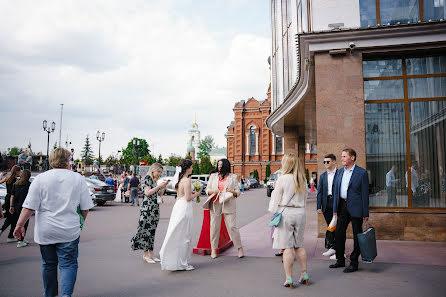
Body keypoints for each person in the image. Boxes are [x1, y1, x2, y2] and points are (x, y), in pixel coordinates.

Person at [13, 148, 94, 297]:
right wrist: (80, 222)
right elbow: (85, 208)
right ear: (68, 161)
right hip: (69, 230)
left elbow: (29, 206)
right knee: (68, 264)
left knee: (48, 265)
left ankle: (50, 294)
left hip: (46, 230)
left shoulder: (41, 179)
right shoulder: (77, 179)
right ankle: (66, 295)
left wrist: (19, 225)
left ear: (51, 160)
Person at [268, 153, 308, 288]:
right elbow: (305, 198)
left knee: (287, 247)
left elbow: (275, 199)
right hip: (300, 213)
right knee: (299, 245)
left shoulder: (282, 179)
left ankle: (289, 278)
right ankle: (304, 274)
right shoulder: (302, 179)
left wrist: (273, 213)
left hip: (286, 213)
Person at [330, 148, 369, 273]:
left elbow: (365, 194)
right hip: (342, 206)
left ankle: (354, 262)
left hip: (356, 207)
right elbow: (336, 192)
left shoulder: (361, 173)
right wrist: (335, 209)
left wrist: (365, 213)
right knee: (339, 233)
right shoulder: (339, 172)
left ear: (352, 158)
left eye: (344, 156)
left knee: (357, 235)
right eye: (341, 156)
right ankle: (340, 259)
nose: (342, 158)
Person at [160, 159, 200, 271]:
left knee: (177, 233)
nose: (192, 169)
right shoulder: (187, 180)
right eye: (191, 167)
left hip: (178, 205)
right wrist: (196, 194)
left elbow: (181, 194)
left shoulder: (180, 180)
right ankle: (182, 263)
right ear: (187, 168)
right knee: (185, 235)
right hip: (185, 207)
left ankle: (176, 261)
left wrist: (191, 193)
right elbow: (187, 198)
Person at [203, 158, 243, 259]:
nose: (219, 167)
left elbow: (238, 192)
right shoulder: (213, 176)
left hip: (228, 204)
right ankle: (213, 249)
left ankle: (239, 248)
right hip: (215, 205)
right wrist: (213, 191)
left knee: (232, 227)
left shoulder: (233, 177)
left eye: (221, 165)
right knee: (214, 228)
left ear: (225, 166)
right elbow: (207, 190)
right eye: (218, 165)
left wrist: (231, 191)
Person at [131, 163, 168, 263]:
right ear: (153, 170)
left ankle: (151, 253)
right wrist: (158, 186)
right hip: (147, 208)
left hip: (154, 207)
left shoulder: (154, 180)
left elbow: (159, 194)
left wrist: (163, 187)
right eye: (158, 171)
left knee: (152, 231)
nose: (159, 174)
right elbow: (147, 192)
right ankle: (145, 254)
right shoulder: (147, 178)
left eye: (161, 172)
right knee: (145, 230)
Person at [317, 153, 342, 259]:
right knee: (330, 227)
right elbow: (320, 192)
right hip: (327, 204)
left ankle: (340, 252)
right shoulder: (323, 176)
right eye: (324, 162)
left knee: (339, 228)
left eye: (328, 162)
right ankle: (332, 247)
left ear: (334, 162)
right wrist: (319, 206)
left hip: (338, 204)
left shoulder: (340, 173)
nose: (325, 164)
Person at [9, 169, 31, 247]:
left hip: (16, 206)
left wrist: (11, 206)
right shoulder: (29, 185)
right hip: (25, 206)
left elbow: (12, 196)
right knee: (24, 224)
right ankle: (20, 241)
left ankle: (21, 238)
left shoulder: (16, 184)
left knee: (18, 222)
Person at [0, 165, 21, 242]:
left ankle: (10, 236)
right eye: (20, 170)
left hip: (7, 197)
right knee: (13, 217)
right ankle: (2, 230)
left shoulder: (7, 177)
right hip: (13, 199)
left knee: (11, 216)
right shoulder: (17, 180)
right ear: (17, 171)